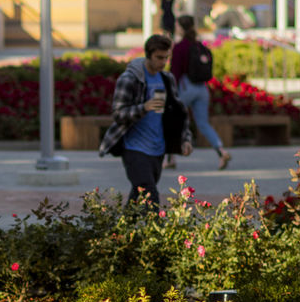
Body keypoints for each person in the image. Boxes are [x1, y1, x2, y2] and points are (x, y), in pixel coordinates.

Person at [99, 34, 194, 205]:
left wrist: (185, 139)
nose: (163, 62)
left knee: (139, 195)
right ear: (148, 55)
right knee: (150, 193)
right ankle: (158, 231)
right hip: (134, 148)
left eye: (166, 58)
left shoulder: (167, 79)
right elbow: (118, 114)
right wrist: (144, 107)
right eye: (159, 57)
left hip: (158, 149)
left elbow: (179, 112)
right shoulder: (130, 79)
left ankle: (123, 229)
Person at [167, 18, 232, 170]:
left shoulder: (180, 47)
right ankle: (221, 151)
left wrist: (171, 91)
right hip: (202, 89)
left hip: (185, 87)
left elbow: (175, 72)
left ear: (180, 28)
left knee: (172, 121)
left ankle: (170, 158)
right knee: (203, 123)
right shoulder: (199, 46)